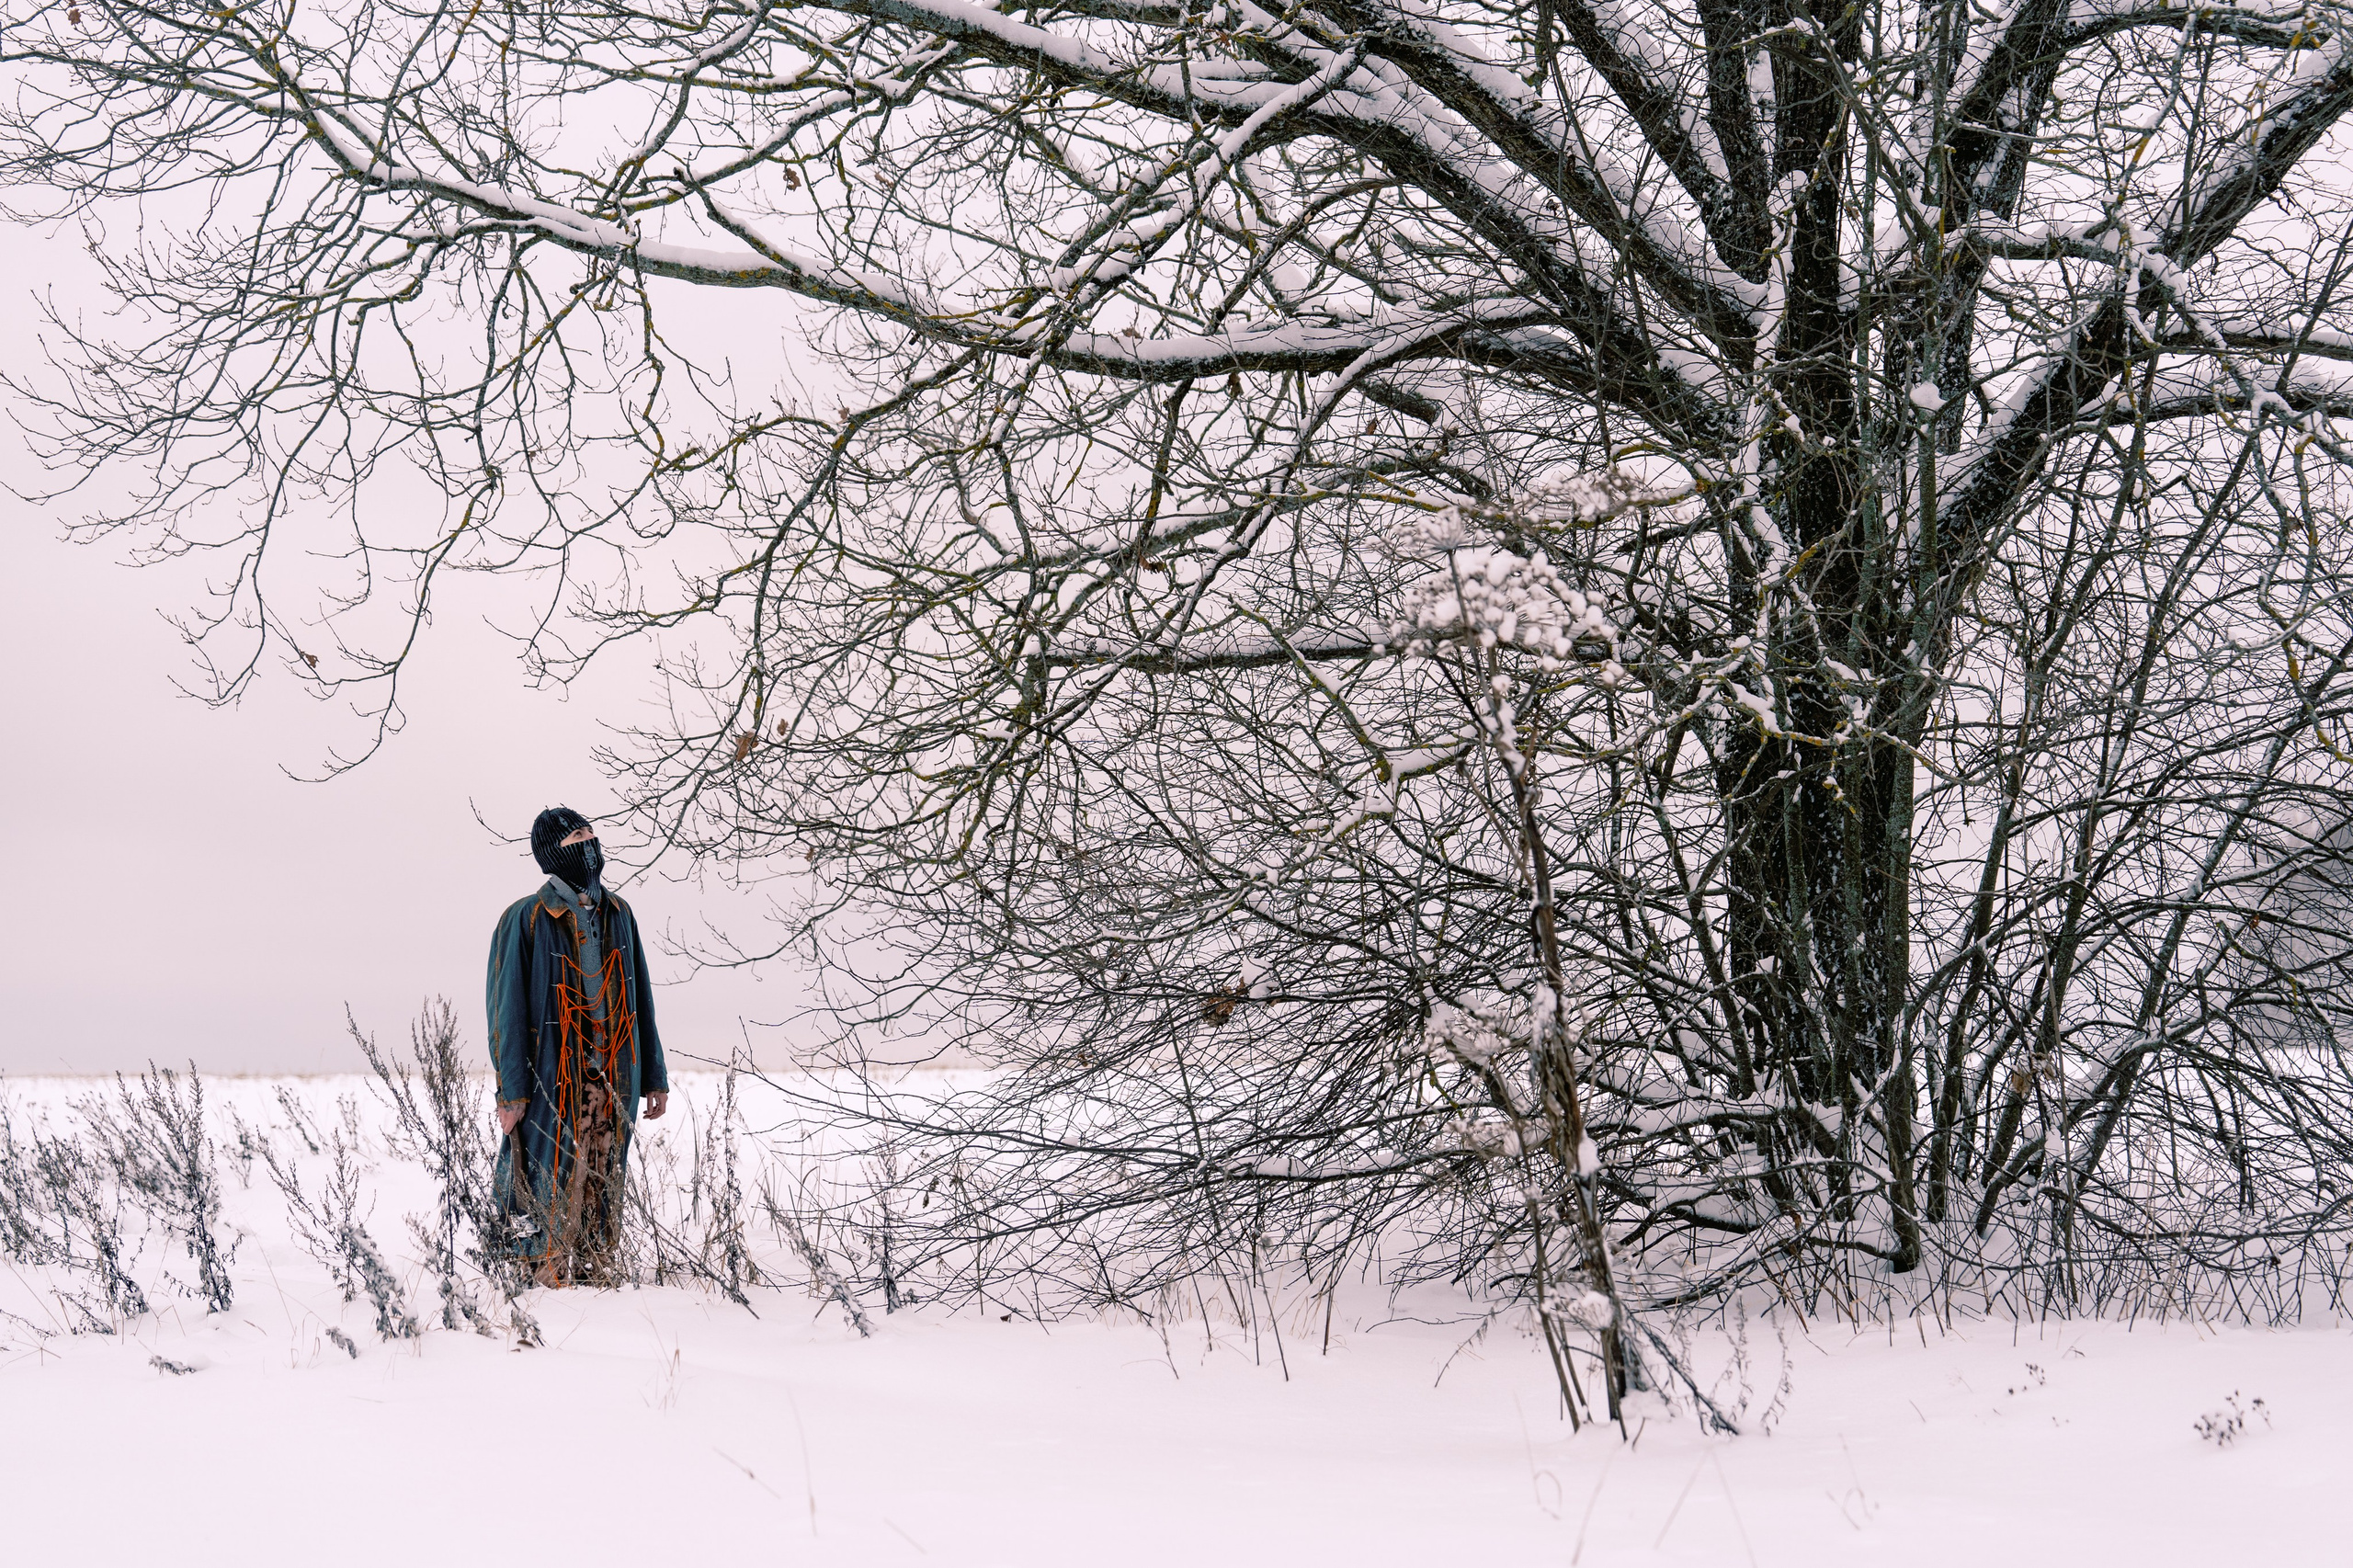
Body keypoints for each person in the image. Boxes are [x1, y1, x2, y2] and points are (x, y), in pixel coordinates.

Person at [485, 807, 670, 1285]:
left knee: (603, 1179)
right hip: (553, 1076)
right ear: (552, 853)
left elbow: (639, 997)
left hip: (614, 1074)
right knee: (542, 1175)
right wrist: (512, 1092)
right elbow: (506, 1009)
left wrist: (654, 1075)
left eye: (590, 831)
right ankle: (537, 1281)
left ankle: (595, 1274)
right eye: (576, 836)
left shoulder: (619, 913)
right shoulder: (525, 918)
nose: (589, 841)